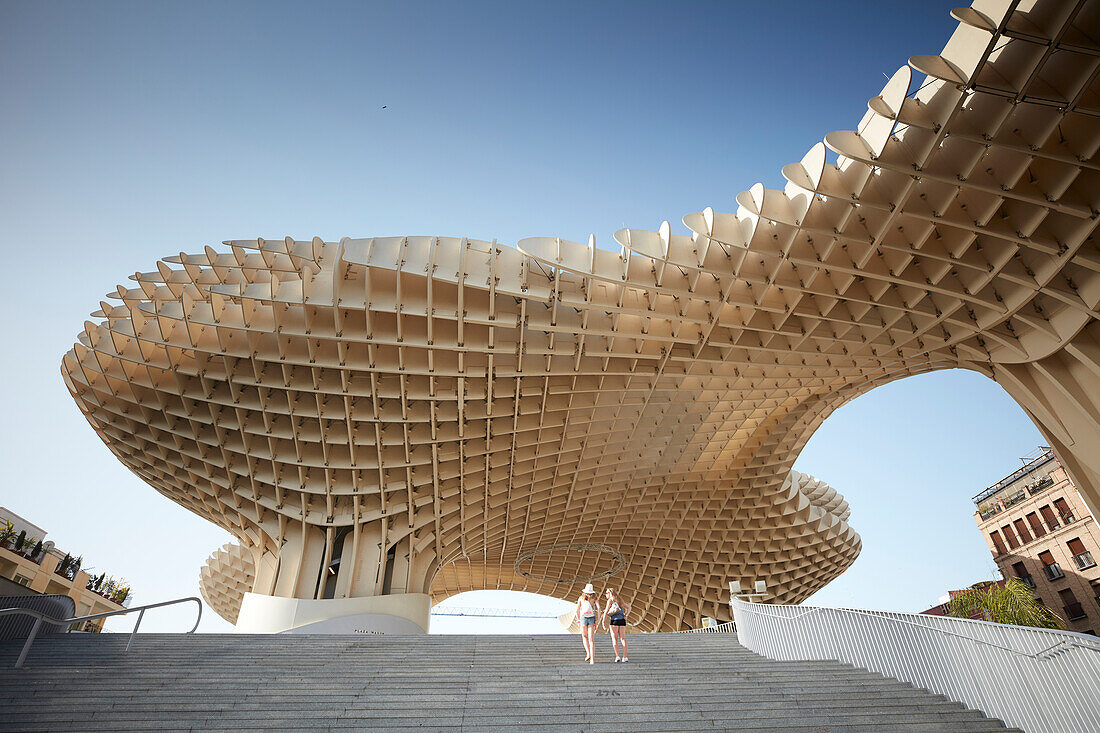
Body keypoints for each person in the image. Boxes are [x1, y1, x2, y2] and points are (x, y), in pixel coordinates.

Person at [573, 583, 602, 663]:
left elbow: (577, 610)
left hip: (583, 618)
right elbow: (599, 609)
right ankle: (592, 659)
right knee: (591, 640)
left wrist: (578, 620)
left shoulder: (581, 598)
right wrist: (598, 620)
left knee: (584, 637)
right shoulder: (595, 598)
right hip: (591, 618)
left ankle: (588, 653)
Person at [602, 587, 629, 662]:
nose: (605, 595)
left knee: (615, 639)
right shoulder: (620, 599)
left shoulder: (610, 600)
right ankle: (625, 657)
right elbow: (629, 607)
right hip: (622, 620)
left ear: (610, 593)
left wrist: (603, 622)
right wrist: (626, 615)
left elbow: (606, 611)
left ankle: (617, 656)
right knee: (623, 638)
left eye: (607, 593)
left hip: (614, 621)